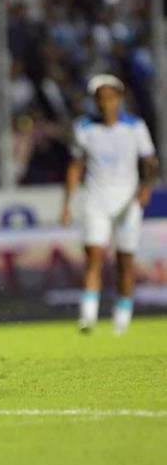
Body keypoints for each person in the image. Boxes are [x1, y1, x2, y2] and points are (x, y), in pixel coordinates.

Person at [61, 74, 158, 335]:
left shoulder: (135, 126)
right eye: (101, 98)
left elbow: (150, 161)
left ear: (119, 98)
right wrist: (67, 202)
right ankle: (88, 318)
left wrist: (145, 187)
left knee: (125, 261)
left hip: (127, 202)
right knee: (94, 257)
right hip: (96, 200)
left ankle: (121, 319)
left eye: (110, 97)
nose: (106, 103)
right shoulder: (84, 127)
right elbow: (75, 165)